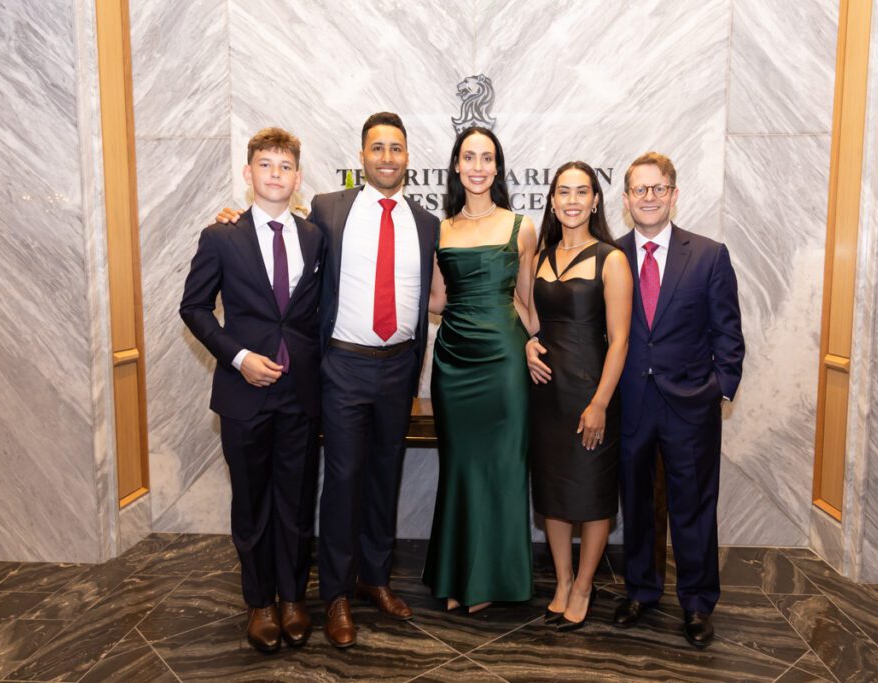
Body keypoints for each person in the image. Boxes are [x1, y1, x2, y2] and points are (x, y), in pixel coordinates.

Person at [216, 113, 439, 648]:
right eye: (377, 148)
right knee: (341, 481)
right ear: (361, 156)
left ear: (408, 157)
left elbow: (435, 295)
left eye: (397, 148)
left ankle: (375, 578)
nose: (387, 157)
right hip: (341, 365)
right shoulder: (327, 210)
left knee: (386, 475)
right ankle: (336, 594)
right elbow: (270, 234)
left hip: (400, 365)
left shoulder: (426, 222)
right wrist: (231, 218)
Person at [180, 128, 325, 652]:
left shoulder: (314, 237)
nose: (275, 175)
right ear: (248, 174)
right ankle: (260, 603)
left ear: (297, 178)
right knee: (252, 503)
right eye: (265, 165)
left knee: (295, 502)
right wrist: (238, 359)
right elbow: (193, 308)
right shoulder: (221, 237)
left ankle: (292, 599)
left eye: (285, 167)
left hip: (300, 396)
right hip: (244, 395)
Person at [613, 152, 744, 647]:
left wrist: (719, 390)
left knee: (693, 505)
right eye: (639, 190)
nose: (649, 197)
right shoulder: (612, 256)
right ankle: (642, 591)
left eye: (658, 188)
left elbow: (728, 334)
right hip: (631, 403)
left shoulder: (709, 255)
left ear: (673, 194)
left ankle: (696, 602)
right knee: (638, 503)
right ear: (626, 199)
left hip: (691, 405)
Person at [421, 126, 536, 612]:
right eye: (469, 157)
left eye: (486, 158)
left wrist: (540, 345)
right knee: (461, 467)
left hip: (505, 361)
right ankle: (457, 576)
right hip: (453, 361)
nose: (478, 167)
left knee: (504, 468)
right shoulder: (440, 229)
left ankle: (491, 581)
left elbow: (528, 304)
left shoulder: (521, 227)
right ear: (455, 165)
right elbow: (435, 302)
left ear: (497, 167)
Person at [524, 161, 631, 631]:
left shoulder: (612, 259)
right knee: (553, 494)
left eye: (580, 191)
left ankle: (585, 585)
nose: (571, 200)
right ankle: (562, 582)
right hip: (546, 396)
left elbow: (621, 338)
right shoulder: (539, 257)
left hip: (591, 393)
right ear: (552, 201)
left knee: (591, 495)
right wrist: (526, 342)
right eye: (562, 192)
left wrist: (601, 403)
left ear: (594, 201)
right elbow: (526, 315)